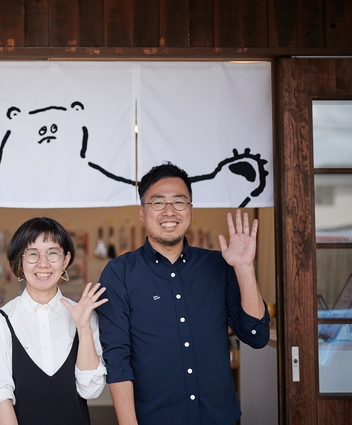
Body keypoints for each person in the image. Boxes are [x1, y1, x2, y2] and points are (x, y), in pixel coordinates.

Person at [96, 163, 270, 425]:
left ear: (190, 210)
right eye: (158, 203)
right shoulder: (119, 273)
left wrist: (245, 268)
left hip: (219, 419)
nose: (170, 211)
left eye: (179, 202)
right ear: (142, 212)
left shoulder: (220, 265)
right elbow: (117, 359)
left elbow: (256, 336)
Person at [0, 217, 107, 425]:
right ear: (20, 261)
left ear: (65, 260)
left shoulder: (84, 316)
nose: (43, 263)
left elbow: (91, 390)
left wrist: (84, 328)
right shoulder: (0, 321)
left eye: (52, 253)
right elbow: (0, 394)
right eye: (33, 254)